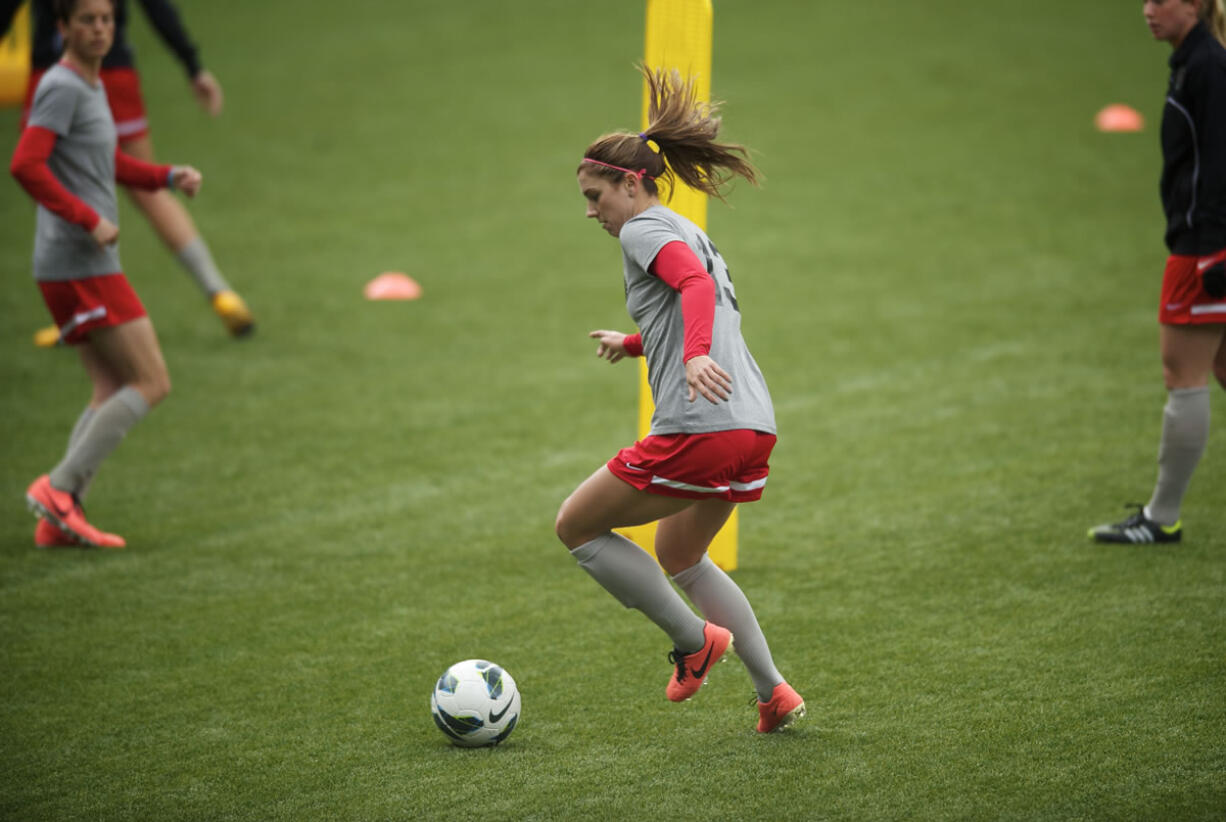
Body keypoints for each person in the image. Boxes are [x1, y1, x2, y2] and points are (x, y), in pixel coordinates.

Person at [555, 65, 805, 733]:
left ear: (630, 183)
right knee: (682, 557)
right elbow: (701, 302)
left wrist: (692, 357)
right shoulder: (684, 227)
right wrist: (637, 345)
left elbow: (693, 291)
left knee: (576, 527)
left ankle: (696, 644)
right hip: (752, 425)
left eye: (594, 196)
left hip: (701, 424)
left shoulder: (641, 230)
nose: (591, 212)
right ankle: (773, 690)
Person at [10, 0, 202, 548]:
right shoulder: (63, 86)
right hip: (79, 262)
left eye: (106, 20)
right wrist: (87, 217)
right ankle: (60, 488)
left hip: (71, 264)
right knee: (152, 380)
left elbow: (108, 161)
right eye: (87, 20)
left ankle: (58, 520)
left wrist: (166, 175)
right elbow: (25, 163)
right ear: (62, 27)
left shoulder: (90, 86)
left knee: (110, 385)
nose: (99, 29)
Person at [0, 0, 254, 342]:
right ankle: (219, 290)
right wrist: (192, 64)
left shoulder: (60, 77)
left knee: (54, 189)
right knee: (151, 195)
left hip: (55, 67)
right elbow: (157, 6)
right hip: (114, 69)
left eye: (105, 19)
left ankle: (79, 311)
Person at [1090, 0, 1226, 544]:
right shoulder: (1193, 62)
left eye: (1159, 1)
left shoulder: (1209, 68)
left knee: (1183, 375)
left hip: (1204, 250)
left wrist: (1215, 249)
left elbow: (1220, 162)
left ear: (1192, 5)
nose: (1146, 10)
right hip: (1206, 243)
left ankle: (1160, 516)